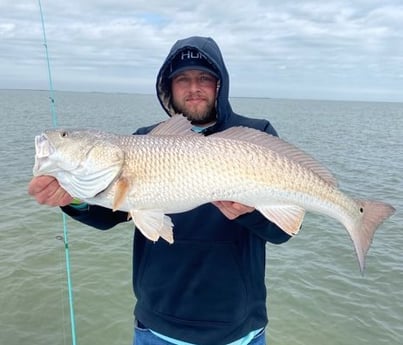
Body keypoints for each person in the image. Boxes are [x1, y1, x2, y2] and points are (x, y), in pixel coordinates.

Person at [28, 36, 291, 345]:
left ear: (220, 84)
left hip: (239, 331)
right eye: (182, 79)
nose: (193, 87)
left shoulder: (256, 136)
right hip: (157, 328)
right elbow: (111, 214)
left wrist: (250, 214)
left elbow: (281, 231)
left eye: (204, 77)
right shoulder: (145, 140)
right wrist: (72, 198)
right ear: (169, 87)